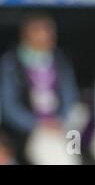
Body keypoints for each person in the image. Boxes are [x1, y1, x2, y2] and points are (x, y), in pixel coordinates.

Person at [0, 12, 79, 164]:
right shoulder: (10, 64)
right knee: (52, 150)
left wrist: (59, 120)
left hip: (61, 125)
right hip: (27, 129)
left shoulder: (60, 60)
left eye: (48, 31)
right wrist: (38, 123)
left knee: (73, 145)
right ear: (26, 34)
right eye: (39, 31)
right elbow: (8, 107)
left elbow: (71, 97)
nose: (45, 36)